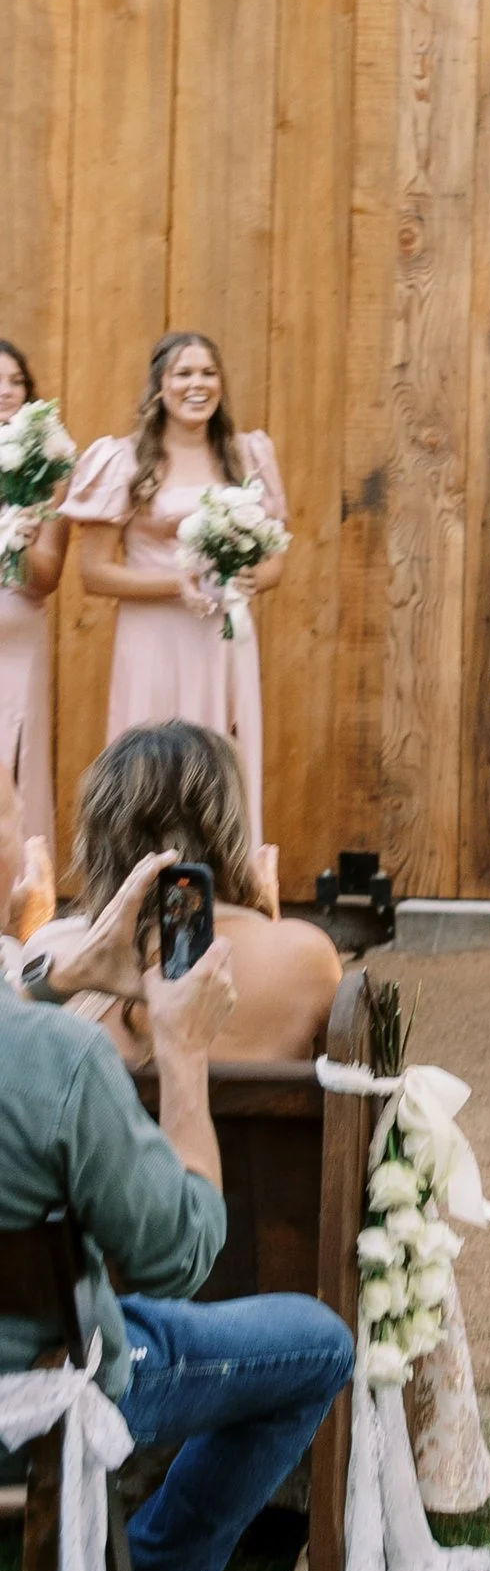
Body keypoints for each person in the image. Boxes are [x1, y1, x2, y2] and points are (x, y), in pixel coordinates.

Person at [1, 853, 354, 1571]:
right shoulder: (55, 1059)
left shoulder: (43, 1025)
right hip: (34, 1392)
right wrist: (184, 1054)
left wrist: (63, 973)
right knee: (318, 1345)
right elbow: (180, 1254)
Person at [60, 334, 288, 851]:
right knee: (151, 759)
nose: (197, 385)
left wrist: (256, 577)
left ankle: (225, 883)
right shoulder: (124, 460)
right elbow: (94, 574)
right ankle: (141, 881)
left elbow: (274, 556)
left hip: (224, 638)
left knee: (221, 752)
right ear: (160, 386)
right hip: (154, 638)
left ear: (220, 384)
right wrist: (173, 585)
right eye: (183, 374)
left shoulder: (245, 455)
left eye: (207, 373)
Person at [30, 722, 339, 1063]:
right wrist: (265, 924)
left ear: (98, 838)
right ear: (227, 828)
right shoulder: (306, 956)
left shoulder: (52, 955)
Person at [0, 337, 70, 865]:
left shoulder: (48, 471)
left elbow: (46, 578)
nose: (6, 391)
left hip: (16, 637)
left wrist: (15, 547)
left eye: (16, 381)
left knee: (13, 777)